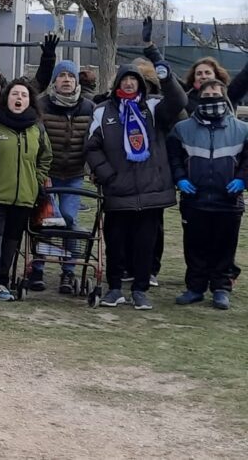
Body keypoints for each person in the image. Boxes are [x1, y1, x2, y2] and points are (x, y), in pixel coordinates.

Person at [87, 61, 186, 310]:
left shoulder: (153, 107)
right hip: (118, 192)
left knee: (145, 244)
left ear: (141, 83)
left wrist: (167, 77)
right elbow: (92, 147)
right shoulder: (103, 111)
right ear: (117, 84)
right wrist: (107, 175)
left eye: (133, 79)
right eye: (124, 79)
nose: (129, 83)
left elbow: (178, 101)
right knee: (115, 242)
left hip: (150, 192)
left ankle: (140, 290)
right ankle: (115, 288)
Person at [0, 79, 52, 307]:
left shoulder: (37, 128)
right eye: (15, 94)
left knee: (10, 243)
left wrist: (35, 181)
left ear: (30, 101)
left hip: (24, 198)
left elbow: (45, 157)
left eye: (24, 95)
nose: (19, 98)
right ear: (6, 98)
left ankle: (2, 283)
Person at [167, 80, 248, 311]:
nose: (211, 98)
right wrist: (180, 178)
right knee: (194, 247)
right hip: (195, 201)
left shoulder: (242, 130)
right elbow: (174, 158)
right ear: (199, 97)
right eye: (207, 95)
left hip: (229, 202)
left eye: (215, 94)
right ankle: (195, 288)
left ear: (224, 97)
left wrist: (242, 179)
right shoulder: (182, 129)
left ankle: (221, 288)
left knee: (225, 248)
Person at [29, 58, 95, 293]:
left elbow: (95, 140)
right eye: (62, 76)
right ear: (54, 81)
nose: (66, 80)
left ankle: (68, 271)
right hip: (47, 174)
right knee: (45, 221)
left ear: (76, 81)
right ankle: (37, 268)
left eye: (70, 76)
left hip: (74, 174)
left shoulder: (88, 107)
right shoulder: (42, 106)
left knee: (69, 219)